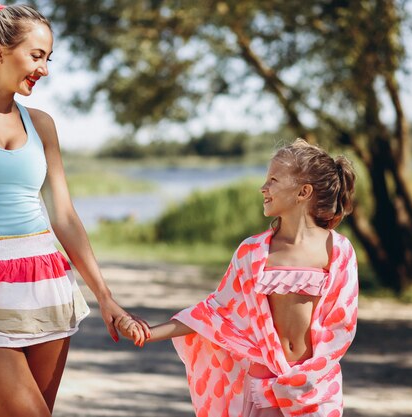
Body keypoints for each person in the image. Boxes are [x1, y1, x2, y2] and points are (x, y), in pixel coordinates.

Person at [0, 2, 147, 416]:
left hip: (45, 280)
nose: (45, 69)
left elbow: (65, 217)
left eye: (48, 58)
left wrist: (106, 298)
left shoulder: (41, 124)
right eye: (37, 56)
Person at [117, 138, 359, 417]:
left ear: (303, 191)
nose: (263, 188)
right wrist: (149, 334)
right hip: (265, 382)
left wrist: (307, 375)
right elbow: (214, 314)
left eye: (273, 180)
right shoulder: (253, 252)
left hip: (315, 387)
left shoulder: (338, 251)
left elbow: (341, 325)